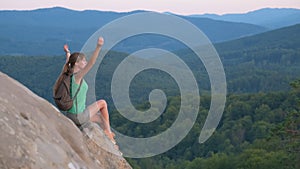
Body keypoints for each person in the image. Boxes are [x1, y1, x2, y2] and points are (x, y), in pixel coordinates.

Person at [59, 37, 116, 144]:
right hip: (78, 116)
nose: (85, 62)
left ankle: (110, 140)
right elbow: (92, 63)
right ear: (76, 64)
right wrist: (98, 47)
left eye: (85, 60)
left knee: (101, 118)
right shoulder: (77, 77)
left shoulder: (67, 75)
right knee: (102, 103)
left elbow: (68, 62)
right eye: (83, 61)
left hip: (70, 115)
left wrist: (67, 53)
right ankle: (109, 135)